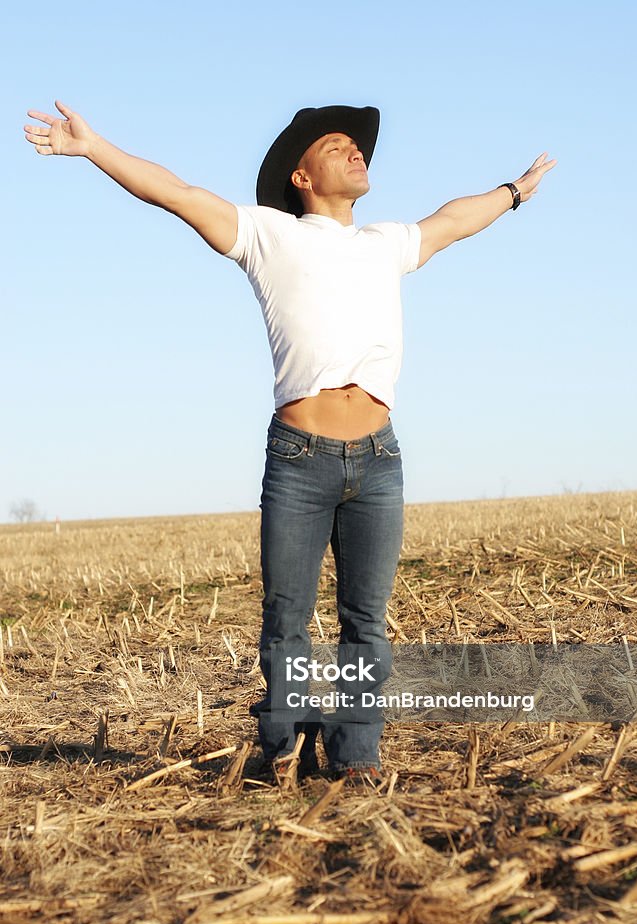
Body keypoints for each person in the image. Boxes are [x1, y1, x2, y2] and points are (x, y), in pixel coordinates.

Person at [24, 101, 556, 785]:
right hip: (300, 460)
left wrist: (511, 193)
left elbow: (453, 219)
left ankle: (356, 756)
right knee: (287, 622)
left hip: (378, 459)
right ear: (301, 177)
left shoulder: (385, 243)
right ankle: (281, 749)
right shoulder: (266, 235)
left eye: (357, 147)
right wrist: (94, 148)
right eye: (336, 146)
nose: (354, 152)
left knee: (365, 624)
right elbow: (177, 193)